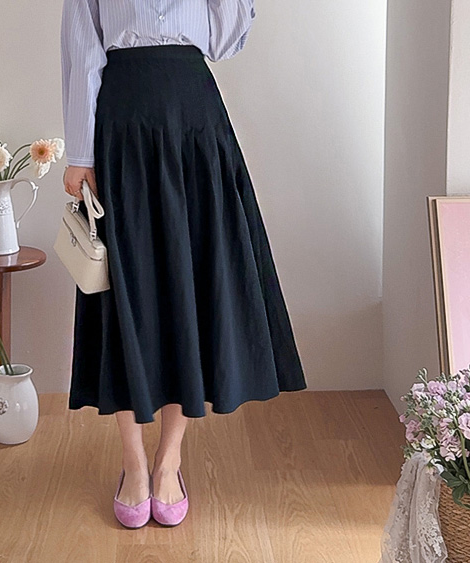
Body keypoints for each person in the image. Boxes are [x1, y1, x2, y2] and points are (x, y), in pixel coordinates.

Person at [60, 0, 307, 529]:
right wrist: (80, 152)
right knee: (125, 290)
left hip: (194, 120)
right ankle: (133, 462)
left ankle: (168, 459)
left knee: (188, 281)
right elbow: (81, 49)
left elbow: (224, 41)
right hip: (122, 120)